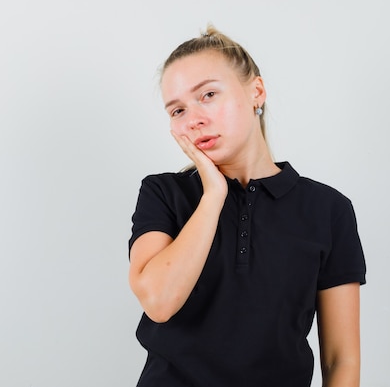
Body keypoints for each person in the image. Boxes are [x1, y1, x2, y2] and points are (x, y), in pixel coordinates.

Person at [128, 25, 366, 387]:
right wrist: (213, 196)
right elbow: (159, 301)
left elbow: (341, 358)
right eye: (177, 111)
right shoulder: (163, 193)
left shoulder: (328, 210)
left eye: (208, 94)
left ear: (256, 92)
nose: (193, 119)